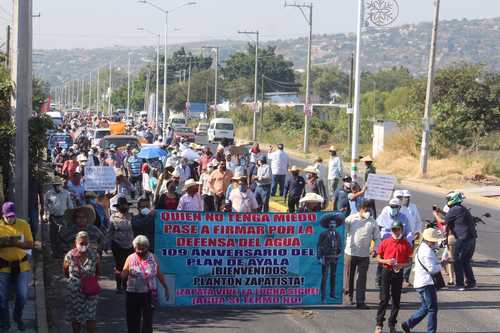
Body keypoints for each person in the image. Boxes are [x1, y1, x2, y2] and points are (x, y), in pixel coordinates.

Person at [121, 236, 169, 333]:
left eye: (143, 248)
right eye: (138, 248)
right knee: (133, 319)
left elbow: (159, 273)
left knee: (148, 319)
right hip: (132, 293)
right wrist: (120, 274)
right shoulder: (130, 258)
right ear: (134, 248)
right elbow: (124, 274)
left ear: (147, 247)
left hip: (148, 293)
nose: (140, 251)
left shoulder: (153, 257)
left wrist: (166, 287)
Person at [401, 228, 443, 333]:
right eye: (434, 240)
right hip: (426, 283)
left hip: (421, 282)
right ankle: (431, 331)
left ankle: (408, 324)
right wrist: (442, 264)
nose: (435, 242)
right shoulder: (427, 251)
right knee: (432, 309)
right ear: (429, 240)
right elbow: (432, 269)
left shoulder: (422, 247)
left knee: (425, 307)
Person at [0, 202, 33, 332]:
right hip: (3, 267)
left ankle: (17, 316)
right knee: (2, 298)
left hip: (21, 266)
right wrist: (4, 243)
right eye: (8, 216)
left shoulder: (23, 224)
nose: (11, 218)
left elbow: (30, 244)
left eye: (12, 216)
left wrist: (17, 243)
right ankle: (5, 324)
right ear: (3, 215)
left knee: (23, 295)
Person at [433, 191, 476, 290]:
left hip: (463, 239)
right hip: (471, 239)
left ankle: (460, 284)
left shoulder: (455, 209)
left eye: (448, 199)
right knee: (465, 261)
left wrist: (435, 214)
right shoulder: (461, 208)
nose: (447, 201)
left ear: (454, 199)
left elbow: (443, 221)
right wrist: (440, 211)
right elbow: (450, 217)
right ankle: (471, 283)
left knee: (457, 261)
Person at [375, 221, 413, 333]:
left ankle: (392, 324)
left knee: (396, 300)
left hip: (398, 272)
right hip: (386, 271)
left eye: (398, 229)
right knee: (384, 298)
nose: (396, 232)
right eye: (394, 230)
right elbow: (377, 258)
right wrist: (386, 261)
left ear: (402, 230)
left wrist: (402, 265)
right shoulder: (385, 242)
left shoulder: (406, 244)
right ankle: (379, 324)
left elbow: (410, 261)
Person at [344, 200, 381, 309]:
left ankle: (360, 301)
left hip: (364, 255)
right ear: (360, 209)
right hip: (350, 253)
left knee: (362, 278)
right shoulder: (350, 219)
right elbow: (343, 232)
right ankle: (349, 297)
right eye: (366, 209)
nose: (368, 211)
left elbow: (377, 237)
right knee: (349, 276)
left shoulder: (373, 222)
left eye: (369, 209)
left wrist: (375, 248)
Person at [63, 231, 101, 333]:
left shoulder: (94, 255)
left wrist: (91, 281)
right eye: (81, 243)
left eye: (86, 243)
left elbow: (98, 271)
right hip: (74, 291)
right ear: (76, 243)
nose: (83, 245)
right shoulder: (69, 255)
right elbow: (65, 271)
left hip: (90, 289)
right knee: (76, 317)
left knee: (90, 316)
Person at [107, 197, 135, 293]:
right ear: (117, 207)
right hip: (117, 245)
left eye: (125, 205)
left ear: (127, 206)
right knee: (119, 266)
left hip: (130, 245)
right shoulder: (113, 217)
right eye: (121, 206)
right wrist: (106, 244)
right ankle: (119, 286)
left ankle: (126, 284)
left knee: (128, 266)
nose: (123, 207)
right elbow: (109, 232)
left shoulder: (132, 216)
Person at [397, 190, 423, 287]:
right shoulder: (399, 208)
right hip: (401, 236)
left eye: (408, 197)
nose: (407, 199)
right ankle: (398, 278)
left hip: (411, 237)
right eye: (405, 197)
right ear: (402, 198)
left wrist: (417, 231)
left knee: (409, 257)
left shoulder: (413, 207)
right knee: (399, 257)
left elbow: (418, 221)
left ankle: (405, 279)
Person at [44, 178, 74, 257]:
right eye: (56, 185)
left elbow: (70, 205)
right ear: (53, 186)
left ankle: (62, 251)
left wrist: (71, 216)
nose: (57, 187)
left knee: (63, 235)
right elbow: (46, 206)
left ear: (61, 185)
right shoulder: (49, 194)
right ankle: (54, 252)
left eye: (59, 185)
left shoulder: (66, 193)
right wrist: (45, 215)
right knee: (53, 235)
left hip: (63, 217)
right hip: (53, 217)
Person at [317, 216, 342, 302]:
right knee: (325, 277)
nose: (332, 225)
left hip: (334, 258)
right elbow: (319, 246)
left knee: (333, 276)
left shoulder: (338, 234)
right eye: (331, 223)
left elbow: (340, 245)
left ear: (336, 225)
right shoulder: (323, 234)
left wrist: (339, 253)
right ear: (328, 225)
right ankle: (323, 297)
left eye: (334, 223)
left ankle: (332, 294)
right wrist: (319, 257)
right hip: (326, 258)